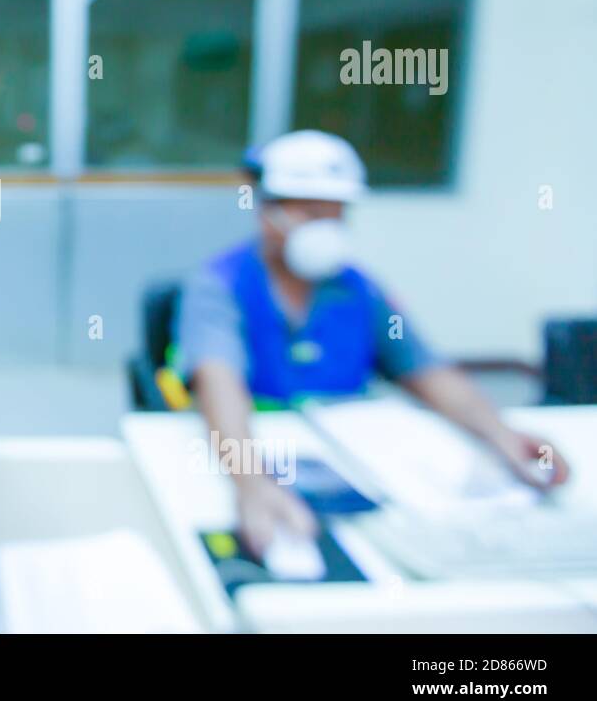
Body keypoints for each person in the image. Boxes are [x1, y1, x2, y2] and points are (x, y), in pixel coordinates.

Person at [175, 129, 570, 557]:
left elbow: (425, 369)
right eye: (310, 214)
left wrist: (502, 434)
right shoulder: (220, 284)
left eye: (336, 215)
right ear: (266, 213)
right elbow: (219, 382)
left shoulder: (359, 289)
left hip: (354, 464)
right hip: (260, 453)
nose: (326, 230)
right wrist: (250, 481)